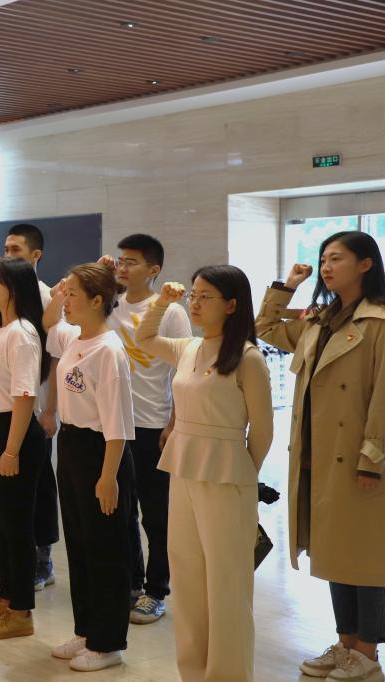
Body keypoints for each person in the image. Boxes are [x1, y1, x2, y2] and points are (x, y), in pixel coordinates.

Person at [256, 231, 385, 682]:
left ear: (365, 264)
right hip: (319, 458)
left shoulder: (384, 324)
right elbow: (263, 330)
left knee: (368, 558)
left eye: (336, 258)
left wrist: (371, 459)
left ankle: (367, 653)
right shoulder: (320, 321)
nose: (326, 267)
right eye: (323, 259)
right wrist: (287, 286)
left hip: (361, 460)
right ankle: (345, 644)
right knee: (337, 553)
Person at [136, 266, 273, 682]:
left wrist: (244, 475)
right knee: (189, 575)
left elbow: (262, 431)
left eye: (204, 296)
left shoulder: (248, 357)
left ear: (231, 305)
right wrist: (163, 302)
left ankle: (227, 675)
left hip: (227, 475)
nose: (194, 303)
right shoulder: (189, 347)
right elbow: (143, 338)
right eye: (192, 295)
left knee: (227, 583)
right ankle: (194, 672)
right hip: (184, 466)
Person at [43, 264, 135, 671]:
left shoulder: (109, 349)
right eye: (66, 293)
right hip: (72, 445)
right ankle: (86, 631)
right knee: (79, 546)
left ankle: (108, 643)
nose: (66, 300)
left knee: (105, 550)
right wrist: (60, 288)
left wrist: (108, 476)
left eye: (74, 294)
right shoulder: (74, 338)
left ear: (98, 301)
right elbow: (48, 320)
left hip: (103, 451)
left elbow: (118, 422)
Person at [102, 234, 192, 623]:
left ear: (153, 270)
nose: (122, 267)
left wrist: (174, 422)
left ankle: (157, 590)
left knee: (157, 515)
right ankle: (131, 584)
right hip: (115, 426)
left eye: (132, 262)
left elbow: (183, 369)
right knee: (121, 510)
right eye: (120, 260)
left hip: (153, 424)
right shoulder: (111, 304)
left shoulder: (169, 311)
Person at [0, 223, 60, 591]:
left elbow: (26, 393)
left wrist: (11, 448)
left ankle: (22, 598)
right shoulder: (0, 326)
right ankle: (7, 595)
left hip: (18, 426)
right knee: (6, 519)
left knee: (22, 515)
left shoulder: (25, 328)